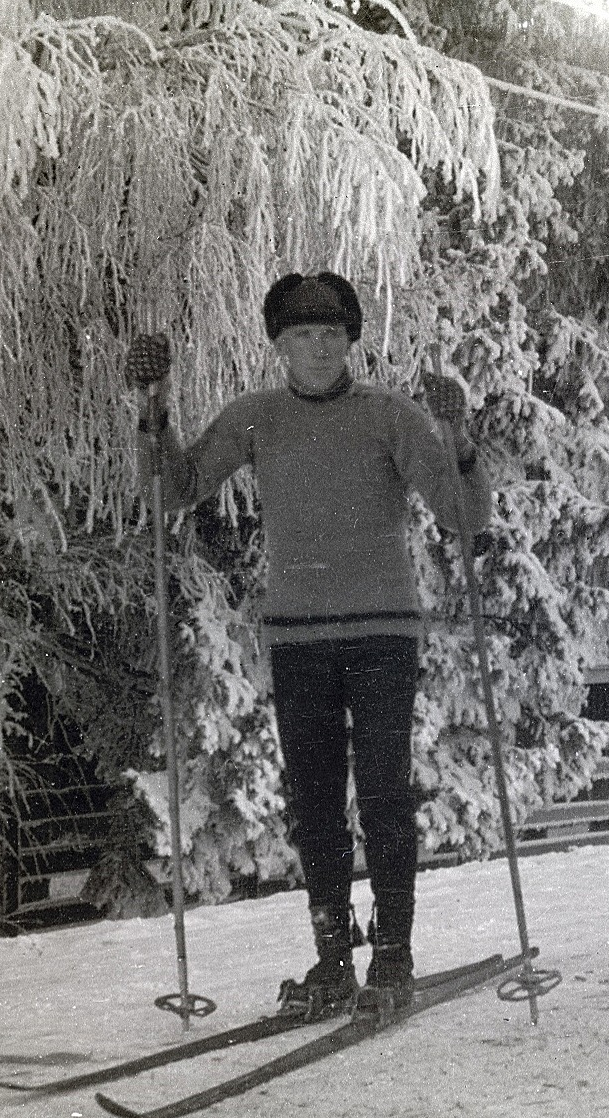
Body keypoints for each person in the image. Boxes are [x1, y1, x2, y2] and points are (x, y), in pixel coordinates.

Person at [141, 272, 492, 1018]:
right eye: (304, 334)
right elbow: (174, 488)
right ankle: (333, 957)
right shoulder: (255, 418)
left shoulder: (390, 416)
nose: (320, 347)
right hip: (298, 634)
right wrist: (155, 410)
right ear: (279, 345)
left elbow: (463, 515)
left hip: (381, 630)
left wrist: (458, 438)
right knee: (314, 801)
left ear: (351, 339)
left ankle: (391, 952)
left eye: (332, 333)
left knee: (385, 793)